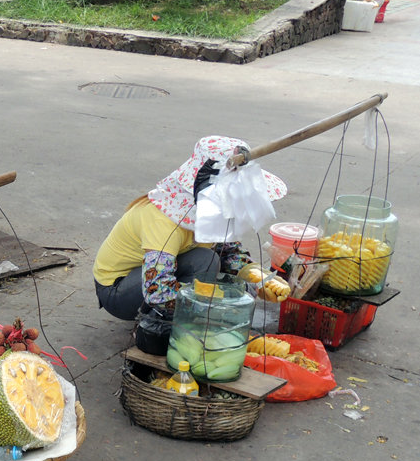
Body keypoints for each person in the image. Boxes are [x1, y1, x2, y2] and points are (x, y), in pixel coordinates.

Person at [93, 135, 289, 323]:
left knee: (208, 259)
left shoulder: (213, 215)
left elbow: (228, 251)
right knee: (202, 270)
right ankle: (163, 321)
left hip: (148, 276)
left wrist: (255, 274)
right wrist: (218, 300)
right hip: (118, 290)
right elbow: (157, 290)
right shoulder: (163, 221)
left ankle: (184, 313)